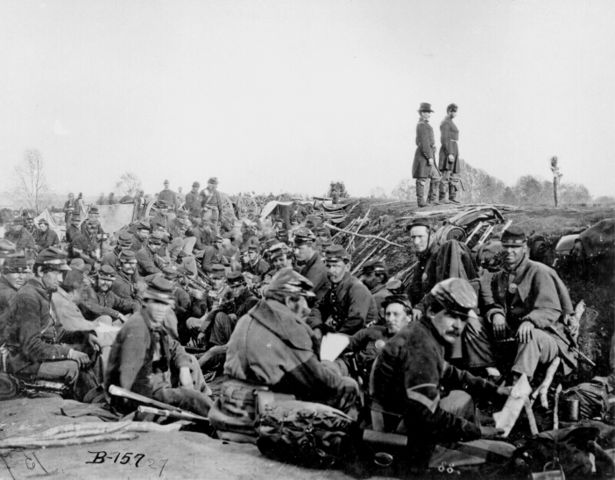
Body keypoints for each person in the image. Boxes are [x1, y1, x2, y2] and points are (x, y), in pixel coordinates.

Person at [371, 278, 510, 468]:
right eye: (452, 316)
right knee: (507, 454)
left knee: (462, 397)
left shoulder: (425, 332)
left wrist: (493, 390)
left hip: (403, 418)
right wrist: (475, 431)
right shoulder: (421, 346)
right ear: (431, 311)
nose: (458, 326)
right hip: (400, 437)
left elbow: (450, 372)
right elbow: (425, 416)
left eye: (463, 318)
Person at [224, 268, 358, 411]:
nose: (307, 309)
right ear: (289, 301)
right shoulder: (286, 326)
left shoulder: (249, 317)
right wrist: (332, 365)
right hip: (259, 416)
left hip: (229, 405)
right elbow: (322, 383)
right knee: (348, 387)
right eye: (304, 300)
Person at [463, 227, 577, 382]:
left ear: (524, 248)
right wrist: (496, 314)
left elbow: (550, 309)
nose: (510, 251)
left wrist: (530, 321)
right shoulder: (500, 276)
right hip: (513, 337)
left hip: (547, 338)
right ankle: (492, 373)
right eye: (506, 246)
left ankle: (518, 386)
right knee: (472, 322)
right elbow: (492, 303)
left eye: (515, 247)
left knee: (530, 335)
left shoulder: (539, 271)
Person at [105, 276, 212, 416]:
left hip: (156, 384)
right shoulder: (137, 329)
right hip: (135, 396)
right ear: (146, 302)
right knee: (193, 399)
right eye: (157, 303)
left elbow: (174, 346)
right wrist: (178, 394)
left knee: (189, 361)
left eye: (165, 304)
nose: (161, 309)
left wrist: (183, 369)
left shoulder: (153, 323)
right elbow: (136, 383)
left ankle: (208, 404)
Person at [3, 247, 100, 397]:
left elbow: (55, 331)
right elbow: (31, 346)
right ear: (41, 271)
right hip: (22, 363)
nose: (61, 279)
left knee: (89, 348)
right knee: (72, 365)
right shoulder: (28, 298)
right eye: (57, 273)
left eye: (62, 273)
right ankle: (83, 401)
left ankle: (95, 396)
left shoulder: (43, 292)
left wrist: (84, 336)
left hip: (34, 356)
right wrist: (69, 352)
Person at [308, 245, 377, 337]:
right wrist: (317, 327)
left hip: (359, 340)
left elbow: (356, 322)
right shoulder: (335, 287)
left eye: (336, 266)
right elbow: (318, 308)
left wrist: (331, 339)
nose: (331, 270)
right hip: (342, 334)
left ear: (347, 267)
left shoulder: (356, 289)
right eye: (328, 266)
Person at [412, 102, 440, 207]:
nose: (429, 114)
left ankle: (431, 200)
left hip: (428, 152)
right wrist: (429, 156)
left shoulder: (425, 125)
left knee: (436, 176)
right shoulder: (421, 125)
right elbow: (423, 142)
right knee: (422, 178)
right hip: (424, 156)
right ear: (422, 113)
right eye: (427, 112)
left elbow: (418, 141)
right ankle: (421, 202)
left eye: (429, 112)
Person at [292, 227, 329, 303]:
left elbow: (300, 296)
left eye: (300, 248)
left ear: (310, 246)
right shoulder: (309, 263)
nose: (296, 252)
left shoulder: (317, 268)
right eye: (295, 248)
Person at [439, 103, 462, 204]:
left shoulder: (450, 122)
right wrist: (450, 153)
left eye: (455, 111)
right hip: (449, 149)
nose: (455, 113)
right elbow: (444, 139)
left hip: (454, 147)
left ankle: (452, 196)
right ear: (449, 111)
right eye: (453, 111)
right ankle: (442, 197)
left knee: (454, 174)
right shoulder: (445, 123)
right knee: (446, 174)